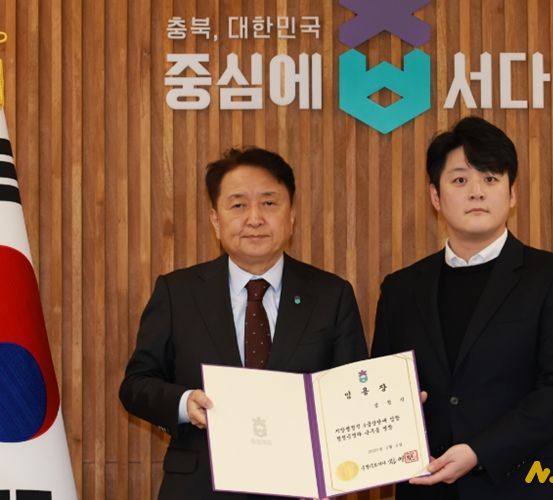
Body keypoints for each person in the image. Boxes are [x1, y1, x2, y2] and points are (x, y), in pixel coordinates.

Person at [119, 147, 368, 500]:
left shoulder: (331, 294)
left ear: (291, 214)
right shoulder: (177, 292)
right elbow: (136, 385)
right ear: (215, 219)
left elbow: (352, 390)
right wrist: (184, 402)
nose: (254, 218)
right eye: (238, 205)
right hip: (200, 488)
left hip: (300, 487)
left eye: (269, 203)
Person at [371, 116, 553, 499]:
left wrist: (480, 451)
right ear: (436, 197)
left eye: (490, 179)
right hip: (428, 487)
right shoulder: (400, 288)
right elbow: (380, 386)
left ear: (511, 194)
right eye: (460, 180)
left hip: (522, 487)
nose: (476, 192)